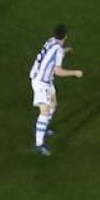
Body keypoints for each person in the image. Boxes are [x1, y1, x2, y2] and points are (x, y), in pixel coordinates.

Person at [28, 25, 83, 156]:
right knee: (45, 111)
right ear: (66, 36)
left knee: (54, 104)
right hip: (41, 82)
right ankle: (39, 145)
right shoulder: (58, 49)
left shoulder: (51, 40)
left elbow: (49, 54)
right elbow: (58, 71)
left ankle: (44, 127)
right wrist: (75, 73)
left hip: (43, 77)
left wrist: (65, 50)